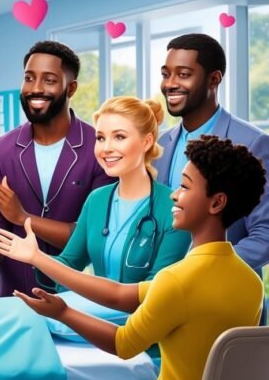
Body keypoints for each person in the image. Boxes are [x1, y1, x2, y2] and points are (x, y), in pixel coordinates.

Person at [0, 135, 266, 380]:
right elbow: (121, 295)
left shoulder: (178, 280)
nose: (174, 194)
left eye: (184, 186)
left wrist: (63, 313)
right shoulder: (251, 282)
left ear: (216, 203)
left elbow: (123, 344)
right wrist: (38, 258)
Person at [0, 40, 114, 298]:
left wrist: (23, 218)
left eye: (49, 80)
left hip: (74, 300)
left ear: (71, 88)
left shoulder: (97, 148)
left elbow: (91, 239)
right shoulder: (4, 147)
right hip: (14, 300)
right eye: (29, 78)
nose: (35, 88)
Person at [155, 33, 269, 274]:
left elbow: (265, 235)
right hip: (158, 291)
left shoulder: (252, 144)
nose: (170, 83)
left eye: (184, 74)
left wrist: (199, 270)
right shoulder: (159, 144)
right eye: (166, 74)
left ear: (213, 79)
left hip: (221, 294)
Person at [48, 96, 190, 286]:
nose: (106, 148)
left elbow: (156, 290)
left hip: (141, 314)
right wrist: (34, 257)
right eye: (100, 138)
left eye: (119, 137)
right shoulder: (97, 200)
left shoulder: (173, 208)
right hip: (90, 311)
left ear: (147, 142)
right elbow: (69, 262)